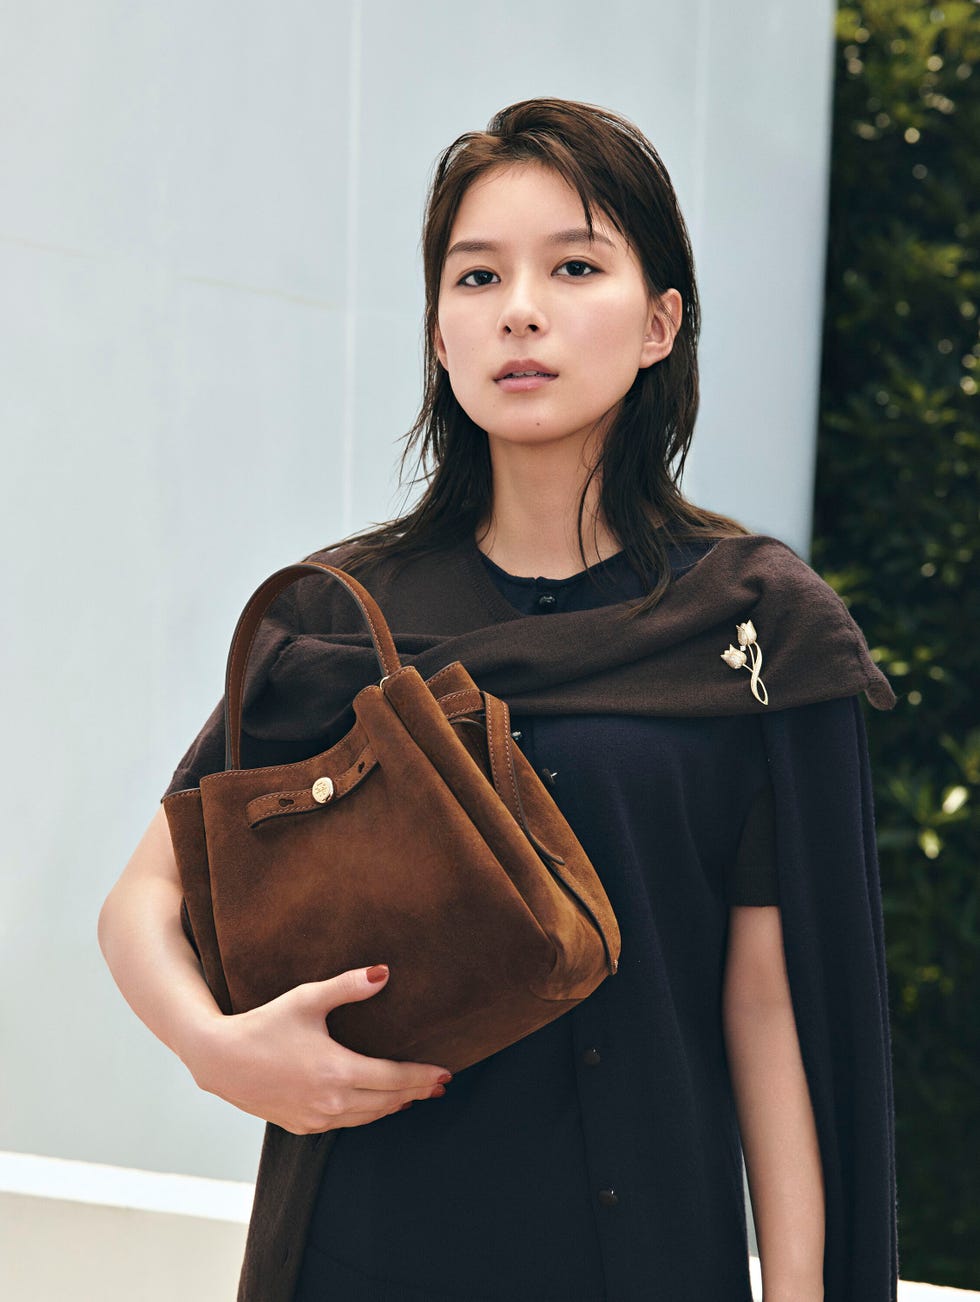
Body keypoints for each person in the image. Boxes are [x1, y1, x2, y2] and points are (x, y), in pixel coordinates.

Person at [99, 98, 898, 1302]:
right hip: (360, 1255)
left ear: (658, 323)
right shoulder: (340, 617)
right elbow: (142, 900)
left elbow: (768, 1009)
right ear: (437, 330)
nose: (518, 307)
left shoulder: (748, 626)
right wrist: (222, 1057)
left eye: (573, 265)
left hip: (645, 1261)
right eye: (477, 276)